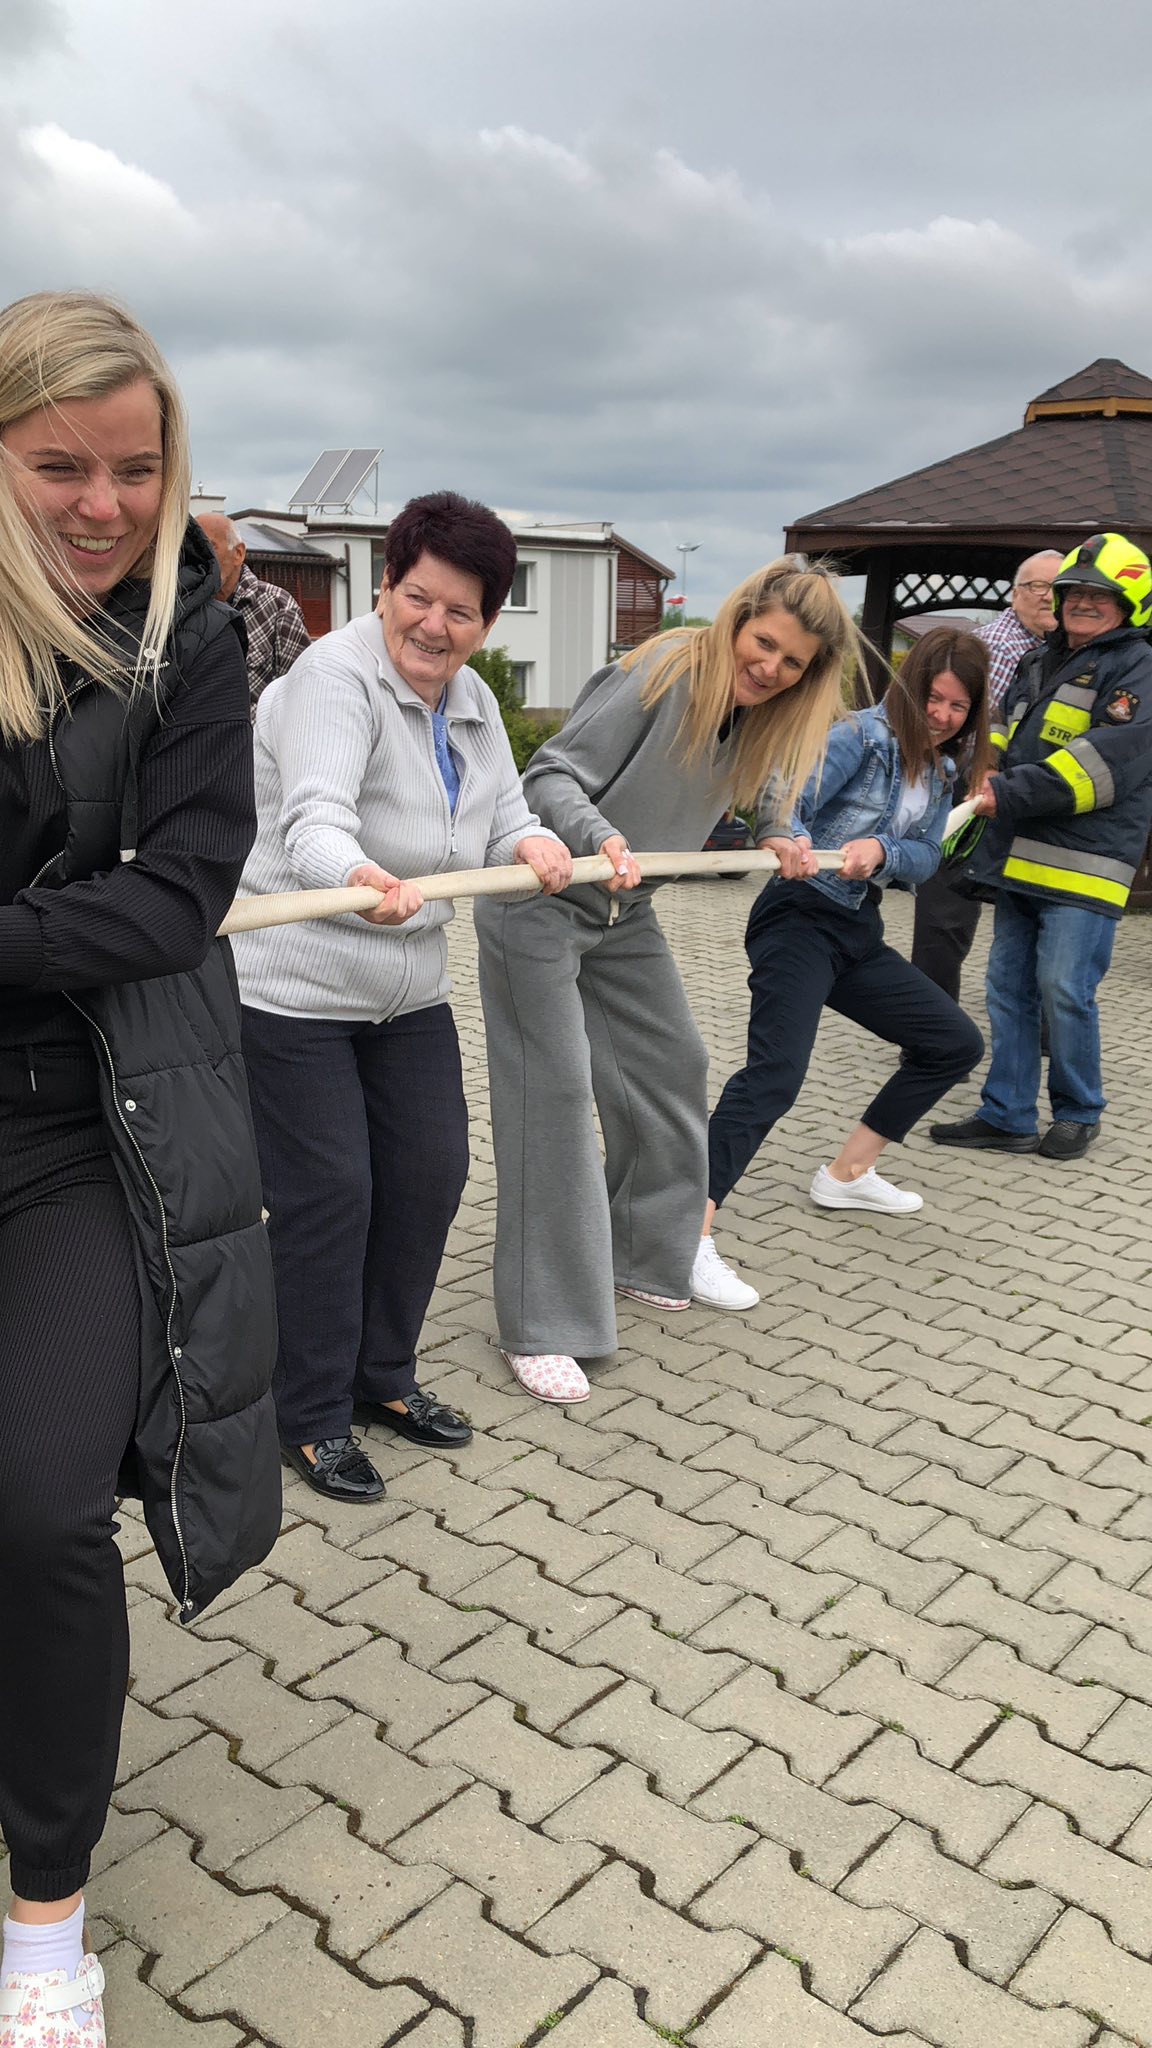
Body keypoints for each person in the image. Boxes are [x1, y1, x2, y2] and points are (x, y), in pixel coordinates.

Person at [0, 291, 280, 2048]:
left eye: (135, 467)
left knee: (41, 1509)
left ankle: (46, 1917)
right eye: (59, 467)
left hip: (77, 1125)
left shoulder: (193, 637)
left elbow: (177, 898)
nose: (104, 504)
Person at [233, 491, 571, 1502]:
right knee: (330, 1192)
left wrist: (539, 845)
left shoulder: (470, 703)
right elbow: (314, 822)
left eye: (460, 611)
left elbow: (504, 817)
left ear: (487, 622)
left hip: (407, 988)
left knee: (429, 1172)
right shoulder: (331, 680)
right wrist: (358, 875)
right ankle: (306, 1413)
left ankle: (381, 1376)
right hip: (295, 988)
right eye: (418, 597)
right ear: (385, 587)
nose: (434, 625)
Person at [474, 557, 859, 1402]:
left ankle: (648, 1251)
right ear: (739, 620)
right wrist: (601, 836)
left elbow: (767, 782)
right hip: (542, 898)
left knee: (674, 1064)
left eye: (793, 662)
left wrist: (779, 831)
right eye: (764, 644)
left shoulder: (764, 713)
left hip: (626, 910)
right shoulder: (663, 673)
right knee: (555, 1096)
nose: (771, 667)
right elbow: (549, 774)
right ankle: (542, 1321)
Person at [702, 627, 988, 1296]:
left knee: (953, 1043)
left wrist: (884, 850)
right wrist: (795, 841)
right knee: (775, 1076)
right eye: (934, 698)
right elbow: (786, 797)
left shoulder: (942, 772)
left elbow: (928, 856)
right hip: (797, 918)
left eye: (958, 707)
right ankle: (685, 1229)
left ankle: (848, 1175)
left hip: (857, 929)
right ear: (909, 688)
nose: (942, 716)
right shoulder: (860, 736)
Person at [931, 532, 1152, 1162]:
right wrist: (987, 762)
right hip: (1021, 854)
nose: (1082, 602)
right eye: (1074, 592)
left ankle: (1080, 1111)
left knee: (1062, 989)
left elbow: (1108, 762)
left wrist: (1010, 790)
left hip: (1086, 864)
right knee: (1007, 988)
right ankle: (1007, 1115)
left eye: (1099, 596)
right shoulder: (1039, 660)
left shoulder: (1138, 668)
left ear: (1130, 605)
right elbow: (1003, 724)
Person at [910, 551, 1062, 1000]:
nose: (1049, 597)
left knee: (1028, 922)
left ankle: (1026, 1023)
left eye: (1059, 589)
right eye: (1038, 586)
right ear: (1015, 594)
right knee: (945, 919)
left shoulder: (1065, 654)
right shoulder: (992, 648)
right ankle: (930, 1023)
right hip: (969, 787)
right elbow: (959, 728)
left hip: (1028, 793)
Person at [196, 510, 311, 714]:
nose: (199, 558)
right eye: (193, 549)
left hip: (257, 732)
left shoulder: (278, 608)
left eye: (209, 547)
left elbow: (299, 695)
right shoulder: (185, 609)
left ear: (238, 553)